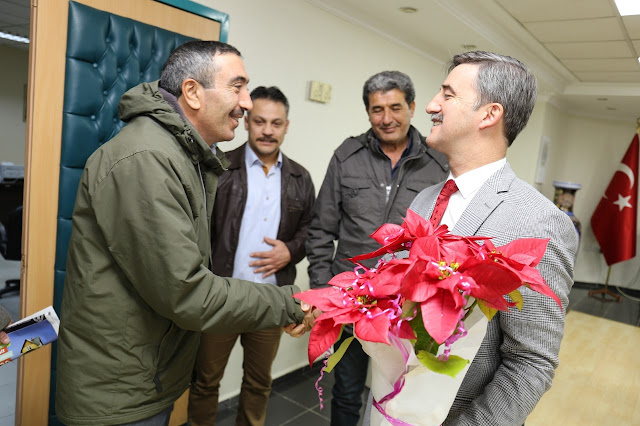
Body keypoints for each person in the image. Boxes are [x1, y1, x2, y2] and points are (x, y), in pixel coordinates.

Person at [55, 41, 314, 426]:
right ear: (192, 92)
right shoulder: (147, 159)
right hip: (120, 389)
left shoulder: (185, 155)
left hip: (142, 372)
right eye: (237, 87)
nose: (245, 103)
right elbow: (186, 291)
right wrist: (292, 302)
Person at [407, 51, 578, 424]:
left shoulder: (539, 223)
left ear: (489, 115)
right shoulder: (423, 200)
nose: (432, 106)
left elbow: (530, 362)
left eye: (447, 95)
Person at [306, 70, 449, 425]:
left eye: (395, 107)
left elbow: (443, 238)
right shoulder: (347, 156)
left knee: (399, 395)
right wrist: (323, 291)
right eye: (377, 109)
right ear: (367, 111)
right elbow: (321, 229)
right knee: (347, 391)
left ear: (412, 107)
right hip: (351, 302)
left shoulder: (438, 164)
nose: (387, 119)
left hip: (405, 304)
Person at [188, 86, 315, 425]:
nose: (267, 130)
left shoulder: (301, 178)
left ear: (286, 126)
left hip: (271, 300)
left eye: (276, 123)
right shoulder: (219, 167)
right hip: (220, 297)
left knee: (259, 383)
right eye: (259, 121)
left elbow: (311, 230)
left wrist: (291, 250)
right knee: (204, 382)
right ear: (246, 122)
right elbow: (197, 227)